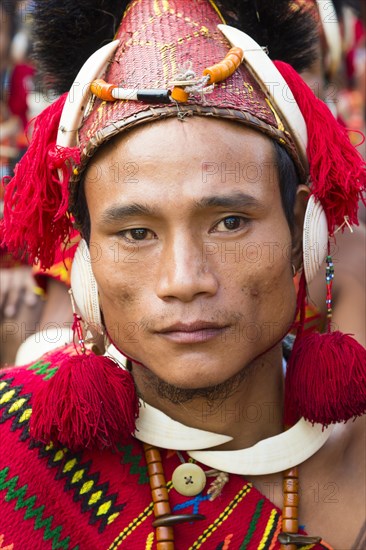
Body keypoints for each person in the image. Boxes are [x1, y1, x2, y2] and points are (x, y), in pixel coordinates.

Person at [0, 1, 365, 548]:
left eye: (230, 222)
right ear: (85, 247)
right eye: (136, 233)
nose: (183, 279)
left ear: (298, 230)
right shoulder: (13, 449)